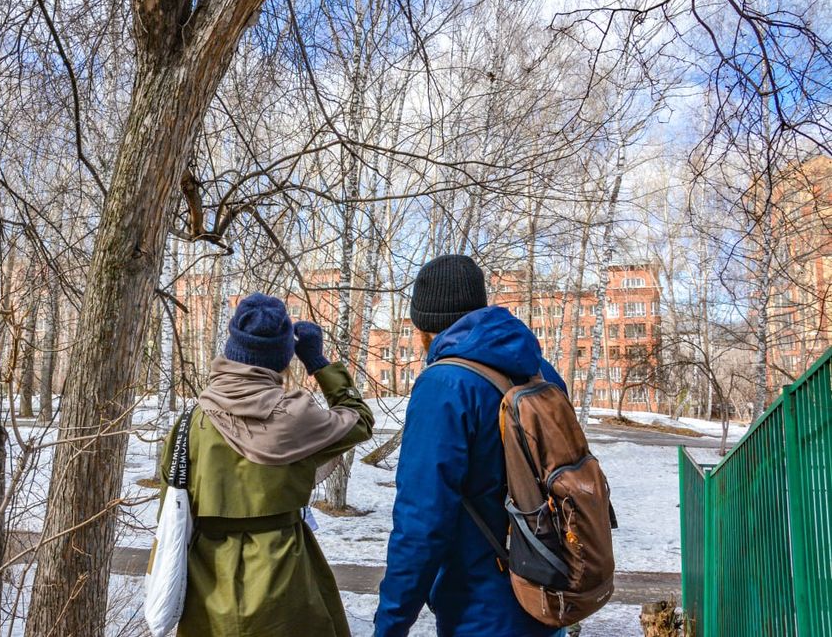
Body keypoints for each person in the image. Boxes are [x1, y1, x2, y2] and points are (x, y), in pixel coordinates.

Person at [160, 292, 374, 637]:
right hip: (285, 575)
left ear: (231, 352)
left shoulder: (191, 422)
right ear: (282, 359)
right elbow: (359, 420)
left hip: (207, 578)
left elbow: (170, 507)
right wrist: (318, 362)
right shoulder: (298, 419)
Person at [375, 255, 568, 637]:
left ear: (423, 327)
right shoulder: (540, 371)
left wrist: (390, 625)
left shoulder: (444, 385)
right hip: (544, 589)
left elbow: (421, 524)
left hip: (482, 607)